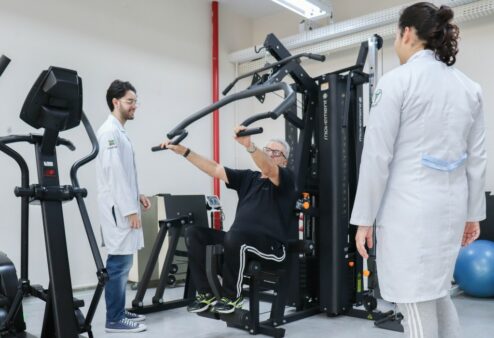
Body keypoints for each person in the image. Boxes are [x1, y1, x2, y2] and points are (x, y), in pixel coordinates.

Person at [350, 3, 486, 338]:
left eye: (396, 35)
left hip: (409, 212)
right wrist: (473, 214)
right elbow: (477, 158)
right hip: (450, 210)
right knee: (437, 293)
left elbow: (376, 156)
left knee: (413, 302)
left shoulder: (397, 82)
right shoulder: (470, 88)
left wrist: (363, 219)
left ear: (407, 33)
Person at [161, 127, 297, 314]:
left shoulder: (287, 179)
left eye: (276, 152)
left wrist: (249, 146)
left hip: (271, 248)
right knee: (194, 234)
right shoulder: (249, 177)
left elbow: (269, 168)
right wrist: (184, 151)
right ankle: (205, 293)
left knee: (236, 237)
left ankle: (232, 297)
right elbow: (214, 168)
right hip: (238, 241)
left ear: (284, 160)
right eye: (267, 150)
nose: (270, 155)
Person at [96, 80, 151, 333]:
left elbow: (124, 173)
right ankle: (114, 319)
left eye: (135, 102)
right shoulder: (109, 132)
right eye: (130, 101)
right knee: (118, 265)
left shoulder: (119, 131)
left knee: (123, 263)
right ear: (115, 102)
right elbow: (113, 173)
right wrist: (129, 210)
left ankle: (118, 310)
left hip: (124, 204)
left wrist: (137, 195)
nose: (134, 107)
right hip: (119, 210)